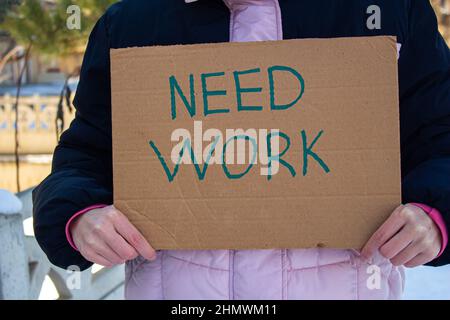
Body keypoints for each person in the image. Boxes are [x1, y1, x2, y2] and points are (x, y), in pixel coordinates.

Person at [33, 0, 450, 299]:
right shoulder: (131, 24)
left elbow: (440, 139)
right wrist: (81, 216)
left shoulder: (388, 11)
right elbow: (84, 156)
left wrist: (434, 215)